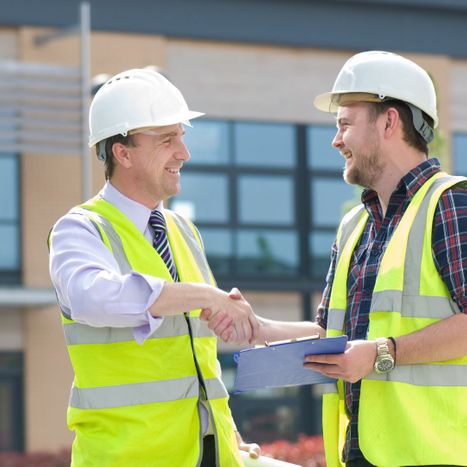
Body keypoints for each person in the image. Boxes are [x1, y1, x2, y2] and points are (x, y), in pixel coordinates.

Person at [204, 51, 467, 466]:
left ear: (389, 122)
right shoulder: (354, 227)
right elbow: (333, 335)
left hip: (438, 455)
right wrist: (259, 328)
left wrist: (384, 352)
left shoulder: (451, 204)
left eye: (345, 124)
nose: (336, 139)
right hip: (362, 453)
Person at [48, 68, 260, 467]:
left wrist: (225, 435)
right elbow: (91, 298)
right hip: (128, 458)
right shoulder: (80, 229)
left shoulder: (183, 231)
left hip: (208, 455)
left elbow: (198, 357)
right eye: (167, 139)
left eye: (182, 136)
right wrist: (206, 296)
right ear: (122, 152)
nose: (184, 152)